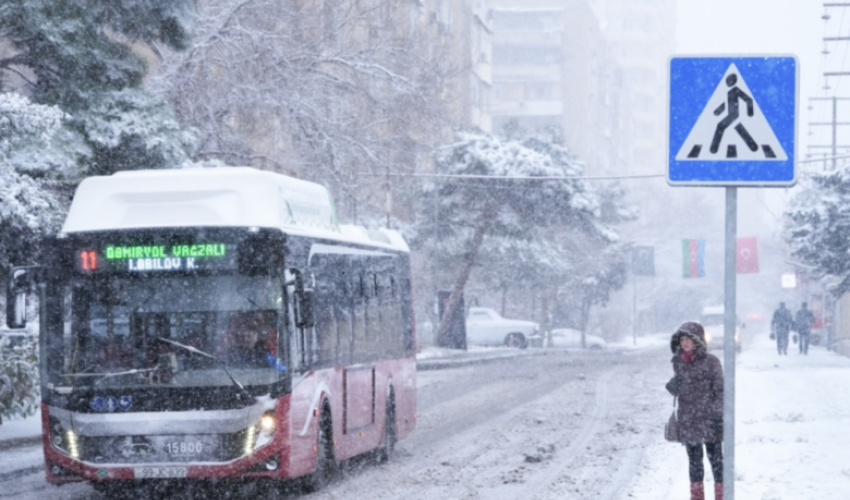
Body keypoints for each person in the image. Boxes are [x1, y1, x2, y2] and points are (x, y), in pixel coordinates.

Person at [666, 322, 724, 500]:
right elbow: (683, 387)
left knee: (717, 463)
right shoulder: (678, 362)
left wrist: (717, 414)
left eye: (688, 339)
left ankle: (721, 496)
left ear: (697, 340)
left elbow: (720, 390)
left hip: (710, 419)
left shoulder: (711, 361)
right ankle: (697, 498)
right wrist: (672, 386)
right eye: (682, 339)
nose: (684, 343)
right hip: (689, 420)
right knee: (694, 463)